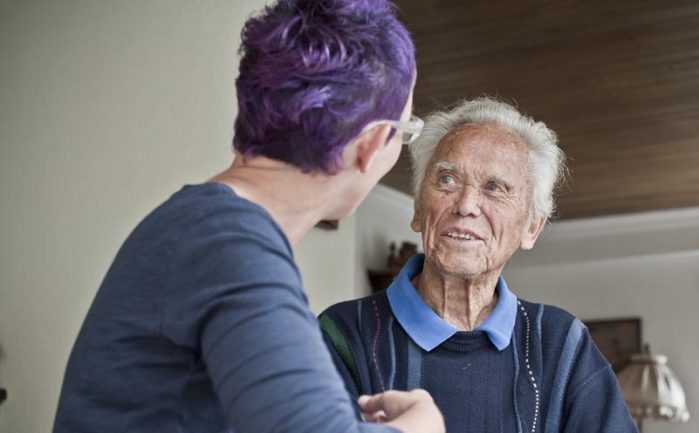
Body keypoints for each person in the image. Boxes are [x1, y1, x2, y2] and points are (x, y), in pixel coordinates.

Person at [52, 1, 444, 432]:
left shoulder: (207, 230)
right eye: (404, 132)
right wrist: (419, 426)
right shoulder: (227, 245)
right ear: (370, 145)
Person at [320, 98, 639, 433]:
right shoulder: (343, 335)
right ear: (417, 209)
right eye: (446, 179)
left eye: (494, 188)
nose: (466, 205)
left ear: (531, 227)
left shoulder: (560, 344)